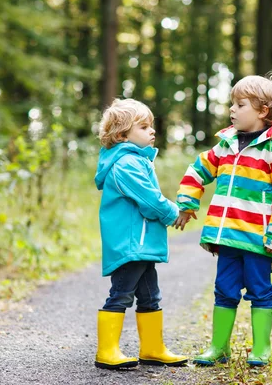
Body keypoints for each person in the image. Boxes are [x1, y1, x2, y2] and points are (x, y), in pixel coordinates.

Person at [173, 73, 272, 366]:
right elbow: (198, 170)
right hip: (226, 235)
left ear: (262, 110)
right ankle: (219, 347)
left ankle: (261, 349)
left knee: (260, 290)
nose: (232, 109)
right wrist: (187, 202)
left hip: (259, 238)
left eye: (240, 104)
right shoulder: (225, 145)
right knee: (224, 289)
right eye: (232, 103)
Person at [93, 98, 189, 369]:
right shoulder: (126, 164)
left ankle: (152, 348)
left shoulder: (136, 160)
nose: (152, 131)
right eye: (144, 126)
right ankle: (107, 351)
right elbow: (149, 200)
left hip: (141, 244)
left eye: (152, 126)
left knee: (150, 296)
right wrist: (174, 212)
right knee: (121, 294)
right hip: (130, 244)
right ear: (122, 134)